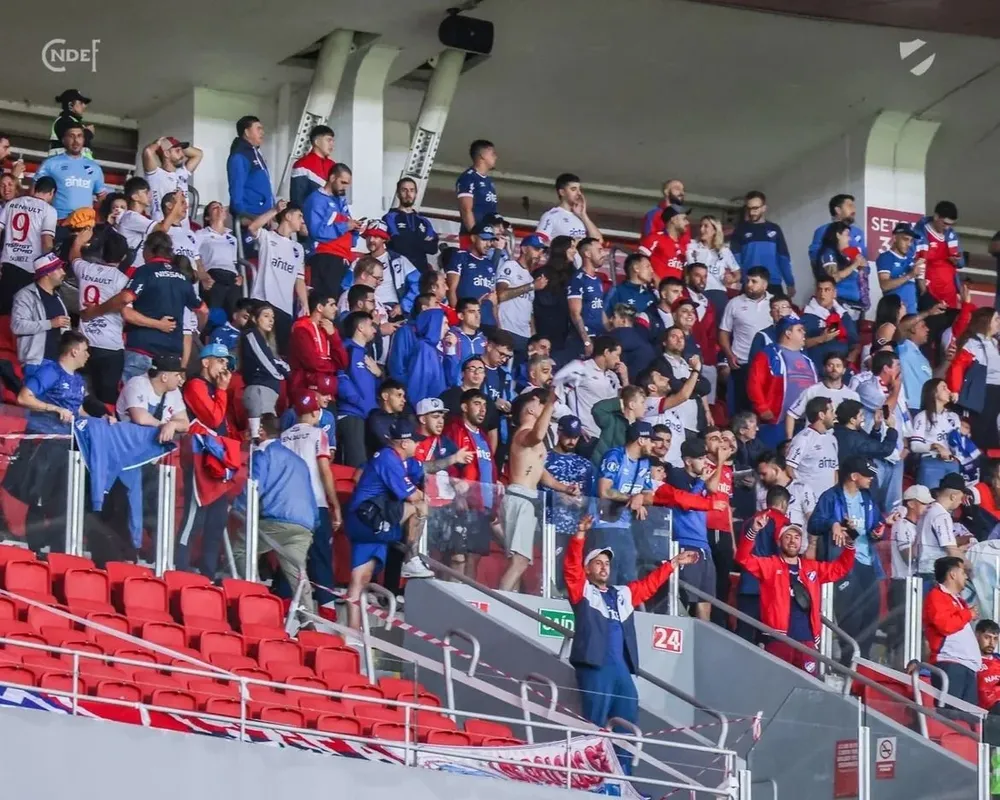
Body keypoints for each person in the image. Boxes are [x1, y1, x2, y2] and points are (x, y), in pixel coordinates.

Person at [564, 513, 697, 766]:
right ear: (587, 569)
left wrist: (673, 563)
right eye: (598, 563)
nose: (604, 567)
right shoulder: (582, 591)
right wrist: (580, 535)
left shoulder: (622, 594)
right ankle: (589, 779)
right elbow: (571, 568)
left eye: (607, 563)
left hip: (622, 671)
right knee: (593, 726)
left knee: (627, 728)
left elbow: (649, 584)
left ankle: (623, 780)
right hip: (595, 667)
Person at [736, 515, 856, 674]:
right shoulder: (770, 565)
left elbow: (841, 568)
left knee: (807, 690)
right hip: (778, 639)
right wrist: (753, 531)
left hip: (807, 642)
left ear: (801, 542)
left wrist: (850, 543)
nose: (793, 541)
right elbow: (742, 558)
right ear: (779, 541)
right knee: (777, 686)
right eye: (788, 537)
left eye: (797, 537)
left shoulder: (811, 568)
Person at [7, 331, 93, 551]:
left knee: (61, 499)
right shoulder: (50, 372)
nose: (88, 356)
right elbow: (23, 397)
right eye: (85, 351)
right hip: (44, 440)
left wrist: (102, 420)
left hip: (69, 446)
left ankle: (57, 550)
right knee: (38, 496)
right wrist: (53, 408)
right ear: (74, 351)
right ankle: (34, 549)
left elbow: (79, 411)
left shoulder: (79, 380)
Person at [345, 418, 434, 628]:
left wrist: (455, 458)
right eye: (415, 441)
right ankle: (411, 558)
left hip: (366, 519)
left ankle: (351, 633)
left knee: (361, 578)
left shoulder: (400, 460)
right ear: (404, 443)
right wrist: (425, 496)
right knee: (420, 505)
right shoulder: (389, 458)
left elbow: (426, 468)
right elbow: (413, 497)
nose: (419, 444)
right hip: (368, 518)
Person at [236, 413, 319, 614]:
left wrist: (238, 508)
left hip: (278, 520)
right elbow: (311, 493)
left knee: (240, 549)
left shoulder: (264, 454)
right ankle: (308, 622)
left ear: (261, 431)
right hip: (305, 525)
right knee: (298, 576)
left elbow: (254, 486)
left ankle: (252, 596)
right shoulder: (298, 461)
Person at [809, 456, 889, 662]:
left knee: (872, 614)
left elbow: (875, 528)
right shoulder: (830, 497)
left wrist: (880, 530)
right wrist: (832, 523)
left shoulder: (868, 498)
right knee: (851, 616)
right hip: (842, 563)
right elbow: (813, 524)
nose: (871, 479)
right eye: (867, 475)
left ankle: (861, 662)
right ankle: (847, 664)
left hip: (867, 563)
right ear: (854, 476)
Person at [499, 390, 580, 591]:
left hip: (525, 499)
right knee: (520, 561)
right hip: (521, 498)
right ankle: (498, 603)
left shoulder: (530, 439)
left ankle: (508, 603)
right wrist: (552, 402)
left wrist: (564, 488)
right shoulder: (524, 433)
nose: (545, 408)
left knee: (518, 561)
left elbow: (540, 472)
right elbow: (537, 435)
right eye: (541, 404)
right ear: (531, 407)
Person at [113, 231, 208, 381]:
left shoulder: (144, 271)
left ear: (149, 249)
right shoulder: (183, 275)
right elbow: (203, 310)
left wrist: (158, 324)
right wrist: (199, 329)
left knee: (135, 399)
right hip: (172, 354)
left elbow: (126, 300)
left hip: (142, 347)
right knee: (164, 403)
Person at [175, 343, 235, 577]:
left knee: (217, 520)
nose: (224, 367)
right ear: (205, 362)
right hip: (200, 459)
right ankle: (179, 567)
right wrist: (222, 390)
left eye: (226, 362)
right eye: (220, 361)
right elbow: (212, 418)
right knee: (194, 517)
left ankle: (208, 573)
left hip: (216, 460)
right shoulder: (195, 385)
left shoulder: (215, 388)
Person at [281, 391, 343, 608]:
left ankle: (281, 611)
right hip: (315, 504)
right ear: (316, 412)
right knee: (321, 560)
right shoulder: (319, 435)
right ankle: (327, 613)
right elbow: (325, 471)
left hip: (288, 508)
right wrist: (335, 504)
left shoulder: (283, 437)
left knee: (288, 560)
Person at [667, 438, 728, 620]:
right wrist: (701, 481)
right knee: (684, 601)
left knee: (705, 604)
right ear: (687, 461)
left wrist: (720, 462)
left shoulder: (701, 479)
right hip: (686, 544)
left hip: (704, 547)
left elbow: (713, 487)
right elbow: (687, 504)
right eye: (700, 458)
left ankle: (701, 647)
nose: (704, 462)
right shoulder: (677, 476)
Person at [69, 226, 130, 405]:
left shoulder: (86, 269)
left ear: (102, 252)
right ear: (124, 257)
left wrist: (79, 241)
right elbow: (127, 313)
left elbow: (74, 256)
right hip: (110, 347)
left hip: (84, 344)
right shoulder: (123, 280)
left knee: (80, 397)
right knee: (106, 401)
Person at [246, 202, 309, 353]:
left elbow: (299, 279)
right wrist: (274, 210)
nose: (303, 221)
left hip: (285, 309)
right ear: (288, 216)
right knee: (260, 349)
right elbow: (252, 228)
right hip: (263, 301)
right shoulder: (267, 237)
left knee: (280, 353)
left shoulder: (298, 249)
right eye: (299, 216)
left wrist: (305, 303)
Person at [747, 316, 816, 448]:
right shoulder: (769, 354)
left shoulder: (807, 360)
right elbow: (754, 383)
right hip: (776, 422)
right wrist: (762, 408)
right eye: (800, 330)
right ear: (788, 333)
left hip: (803, 423)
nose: (804, 333)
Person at [857, 350, 911, 513]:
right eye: (897, 366)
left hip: (897, 454)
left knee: (893, 506)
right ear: (886, 368)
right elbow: (887, 410)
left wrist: (906, 446)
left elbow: (902, 418)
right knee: (872, 499)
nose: (900, 369)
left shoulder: (897, 390)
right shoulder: (866, 387)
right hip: (877, 453)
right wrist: (897, 388)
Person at [925, 555, 981, 706]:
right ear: (953, 574)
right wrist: (968, 614)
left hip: (966, 666)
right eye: (963, 572)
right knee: (950, 717)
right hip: (950, 664)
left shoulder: (956, 600)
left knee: (967, 721)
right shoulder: (936, 596)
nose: (965, 576)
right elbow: (945, 625)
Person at [887, 484, 932, 664]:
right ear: (912, 504)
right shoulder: (901, 526)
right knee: (903, 632)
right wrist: (922, 535)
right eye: (923, 504)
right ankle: (897, 669)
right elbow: (909, 557)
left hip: (915, 584)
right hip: (902, 585)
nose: (927, 508)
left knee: (916, 630)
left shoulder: (914, 526)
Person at [302, 163, 359, 302]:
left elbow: (348, 228)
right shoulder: (316, 199)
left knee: (339, 303)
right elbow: (317, 232)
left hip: (343, 257)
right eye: (343, 182)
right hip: (325, 258)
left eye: (347, 184)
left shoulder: (340, 200)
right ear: (332, 178)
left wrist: (355, 229)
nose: (345, 187)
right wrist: (345, 226)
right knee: (326, 302)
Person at [719, 266, 772, 414]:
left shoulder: (775, 304)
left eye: (754, 281)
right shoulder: (734, 303)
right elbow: (723, 333)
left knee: (763, 411)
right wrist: (729, 355)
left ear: (765, 285)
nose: (749, 285)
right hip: (741, 365)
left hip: (768, 367)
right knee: (740, 410)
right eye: (747, 281)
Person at [0, 176, 57, 313]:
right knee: (22, 312)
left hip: (8, 265)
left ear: (35, 189)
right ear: (52, 192)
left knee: (3, 311)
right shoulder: (49, 210)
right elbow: (46, 242)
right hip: (30, 269)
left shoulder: (11, 204)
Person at [553, 336, 625, 444]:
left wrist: (625, 378)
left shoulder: (613, 376)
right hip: (587, 437)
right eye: (617, 355)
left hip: (607, 438)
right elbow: (554, 397)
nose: (619, 360)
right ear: (606, 352)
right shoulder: (580, 368)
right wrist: (574, 424)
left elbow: (624, 403)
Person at [947, 307, 1000, 451]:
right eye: (996, 319)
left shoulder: (995, 343)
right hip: (984, 393)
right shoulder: (973, 343)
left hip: (996, 392)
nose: (999, 322)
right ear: (986, 322)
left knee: (993, 433)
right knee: (980, 432)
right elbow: (958, 366)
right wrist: (955, 390)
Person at [34, 119, 107, 223]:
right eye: (71, 136)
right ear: (64, 140)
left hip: (84, 225)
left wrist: (97, 218)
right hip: (57, 221)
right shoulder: (50, 164)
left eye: (79, 136)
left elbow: (102, 196)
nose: (76, 140)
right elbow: (35, 190)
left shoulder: (95, 167)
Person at [11, 252, 71, 373]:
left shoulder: (57, 297)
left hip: (59, 363)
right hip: (37, 363)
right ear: (48, 272)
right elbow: (17, 326)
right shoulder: (25, 296)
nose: (63, 273)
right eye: (59, 269)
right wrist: (50, 323)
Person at [336, 311, 381, 468]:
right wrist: (359, 402)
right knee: (357, 466)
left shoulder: (366, 355)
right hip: (351, 414)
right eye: (371, 325)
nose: (375, 330)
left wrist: (379, 374)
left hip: (367, 416)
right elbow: (340, 379)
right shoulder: (346, 349)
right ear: (360, 327)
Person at [729, 191, 793, 298]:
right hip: (749, 283)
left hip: (773, 282)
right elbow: (734, 260)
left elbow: (783, 257)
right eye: (749, 208)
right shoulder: (740, 230)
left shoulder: (775, 229)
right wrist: (740, 279)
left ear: (764, 208)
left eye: (755, 208)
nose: (752, 212)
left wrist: (790, 283)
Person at [241, 303, 290, 440]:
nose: (271, 320)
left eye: (272, 317)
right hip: (258, 391)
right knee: (258, 437)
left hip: (268, 394)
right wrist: (281, 374)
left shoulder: (267, 341)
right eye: (266, 316)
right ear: (255, 319)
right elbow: (265, 360)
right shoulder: (252, 335)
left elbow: (275, 361)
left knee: (269, 437)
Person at [785, 353, 859, 439]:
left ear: (844, 370)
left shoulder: (853, 395)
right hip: (814, 442)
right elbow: (791, 414)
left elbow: (857, 422)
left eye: (838, 366)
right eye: (830, 365)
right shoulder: (812, 391)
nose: (834, 369)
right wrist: (789, 440)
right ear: (824, 368)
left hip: (843, 443)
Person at [288, 291, 347, 397]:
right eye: (332, 305)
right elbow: (312, 363)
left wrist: (334, 337)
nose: (336, 308)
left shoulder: (330, 330)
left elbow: (343, 363)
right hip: (307, 391)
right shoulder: (302, 328)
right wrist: (333, 366)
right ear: (320, 307)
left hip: (329, 393)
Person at [916, 473, 970, 587]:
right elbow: (951, 550)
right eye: (961, 497)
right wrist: (970, 568)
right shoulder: (941, 515)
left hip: (921, 570)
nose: (961, 502)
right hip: (932, 573)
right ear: (953, 496)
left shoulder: (928, 510)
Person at [115, 354, 189, 437]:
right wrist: (164, 426)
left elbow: (185, 424)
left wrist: (173, 425)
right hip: (127, 439)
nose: (180, 379)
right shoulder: (137, 384)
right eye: (177, 375)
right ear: (164, 377)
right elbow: (140, 418)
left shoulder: (174, 391)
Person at [446, 221, 500, 329]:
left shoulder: (489, 264)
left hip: (489, 322)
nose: (488, 244)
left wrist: (498, 325)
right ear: (473, 238)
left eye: (490, 240)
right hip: (468, 322)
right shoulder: (460, 257)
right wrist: (458, 319)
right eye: (484, 239)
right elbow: (451, 290)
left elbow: (493, 297)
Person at [913, 201, 964, 315]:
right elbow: (919, 263)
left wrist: (956, 260)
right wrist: (923, 292)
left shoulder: (951, 235)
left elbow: (961, 263)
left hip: (950, 293)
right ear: (936, 217)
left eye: (951, 224)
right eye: (945, 223)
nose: (947, 227)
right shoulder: (920, 233)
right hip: (931, 292)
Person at [911, 378, 963, 489]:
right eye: (944, 388)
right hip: (931, 462)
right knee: (930, 500)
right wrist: (935, 446)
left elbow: (958, 444)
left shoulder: (954, 416)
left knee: (951, 500)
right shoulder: (922, 416)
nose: (949, 391)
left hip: (952, 463)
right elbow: (915, 446)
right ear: (933, 393)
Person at [496, 233, 547, 343]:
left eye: (542, 251)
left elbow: (528, 308)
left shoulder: (530, 276)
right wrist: (532, 286)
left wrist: (533, 333)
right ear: (524, 249)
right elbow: (501, 295)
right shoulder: (511, 265)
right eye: (536, 249)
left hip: (525, 335)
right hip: (507, 331)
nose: (539, 254)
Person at [141, 136, 203, 225]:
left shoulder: (182, 172)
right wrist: (158, 143)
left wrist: (177, 146)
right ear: (166, 153)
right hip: (163, 229)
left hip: (184, 230)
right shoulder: (156, 175)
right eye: (178, 151)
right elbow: (148, 152)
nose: (182, 154)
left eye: (182, 150)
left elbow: (199, 154)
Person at [383, 176, 439, 273]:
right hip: (397, 272)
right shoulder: (390, 217)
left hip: (420, 273)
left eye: (412, 190)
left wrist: (408, 239)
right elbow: (397, 244)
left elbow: (433, 249)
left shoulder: (424, 221)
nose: (408, 194)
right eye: (404, 190)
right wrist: (421, 241)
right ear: (397, 193)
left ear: (416, 193)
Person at [801, 275, 859, 367]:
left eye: (827, 290)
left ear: (834, 293)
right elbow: (800, 344)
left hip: (842, 367)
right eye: (819, 289)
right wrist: (822, 339)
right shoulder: (807, 315)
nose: (822, 294)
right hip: (819, 367)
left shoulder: (843, 315)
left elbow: (855, 343)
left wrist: (850, 359)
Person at [786, 397, 839, 497]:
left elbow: (834, 471)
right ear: (821, 415)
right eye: (831, 412)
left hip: (828, 501)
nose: (834, 416)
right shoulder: (803, 439)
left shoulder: (832, 439)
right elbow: (789, 468)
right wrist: (802, 494)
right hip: (809, 502)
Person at [196, 201, 242, 314]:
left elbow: (233, 262)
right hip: (213, 275)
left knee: (234, 313)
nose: (220, 209)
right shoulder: (200, 234)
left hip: (232, 278)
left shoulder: (232, 239)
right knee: (213, 314)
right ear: (207, 217)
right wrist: (203, 275)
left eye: (221, 206)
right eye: (215, 208)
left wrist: (240, 276)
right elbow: (195, 255)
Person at [567, 238, 610, 356]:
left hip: (598, 338)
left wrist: (610, 330)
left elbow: (599, 308)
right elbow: (575, 313)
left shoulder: (598, 280)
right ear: (587, 253)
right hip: (582, 341)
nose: (604, 253)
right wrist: (586, 341)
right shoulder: (578, 279)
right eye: (599, 250)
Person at [816, 221, 870, 317]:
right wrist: (854, 264)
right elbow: (833, 278)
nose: (849, 239)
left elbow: (865, 270)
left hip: (855, 304)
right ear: (838, 235)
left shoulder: (846, 253)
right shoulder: (828, 253)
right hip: (840, 303)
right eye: (847, 235)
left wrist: (860, 262)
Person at [226, 115, 274, 223]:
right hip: (251, 218)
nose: (262, 132)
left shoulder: (255, 153)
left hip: (263, 215)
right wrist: (245, 216)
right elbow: (236, 191)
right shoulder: (239, 156)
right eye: (258, 129)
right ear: (247, 132)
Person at [535, 172, 602, 244]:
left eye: (579, 189)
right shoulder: (551, 216)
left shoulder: (581, 217)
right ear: (562, 192)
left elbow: (598, 241)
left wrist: (583, 215)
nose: (579, 193)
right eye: (573, 189)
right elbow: (539, 242)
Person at [808, 193, 866, 274]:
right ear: (838, 210)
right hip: (835, 284)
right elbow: (815, 258)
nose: (854, 210)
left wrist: (863, 268)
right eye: (850, 206)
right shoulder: (823, 230)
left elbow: (864, 261)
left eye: (854, 206)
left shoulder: (858, 232)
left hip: (856, 285)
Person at [456, 139, 498, 244]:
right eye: (493, 153)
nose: (496, 157)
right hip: (473, 238)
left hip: (488, 238)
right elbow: (466, 210)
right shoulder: (468, 178)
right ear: (482, 156)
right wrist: (475, 235)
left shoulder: (489, 181)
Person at [876, 222, 923, 315]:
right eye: (905, 239)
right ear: (894, 238)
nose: (909, 244)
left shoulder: (911, 261)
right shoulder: (886, 257)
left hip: (912, 313)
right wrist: (910, 275)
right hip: (895, 315)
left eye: (911, 240)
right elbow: (884, 285)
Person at [639, 204, 691, 282]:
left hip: (675, 291)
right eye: (684, 219)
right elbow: (639, 260)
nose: (687, 222)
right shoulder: (655, 238)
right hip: (654, 291)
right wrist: (657, 282)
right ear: (673, 220)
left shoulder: (683, 247)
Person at [289, 124, 336, 209]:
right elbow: (297, 200)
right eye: (329, 140)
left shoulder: (333, 165)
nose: (332, 144)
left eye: (333, 141)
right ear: (317, 142)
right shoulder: (302, 165)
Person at [897, 314, 935, 410]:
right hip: (910, 407)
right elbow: (901, 328)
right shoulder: (902, 348)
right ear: (912, 329)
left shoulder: (923, 358)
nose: (927, 329)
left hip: (925, 408)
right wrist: (930, 311)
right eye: (923, 326)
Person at [604, 253, 657, 318]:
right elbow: (605, 318)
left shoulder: (651, 294)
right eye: (647, 266)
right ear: (636, 268)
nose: (652, 270)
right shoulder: (617, 292)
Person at [49, 89, 94, 156]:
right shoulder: (64, 121)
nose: (84, 106)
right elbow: (74, 140)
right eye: (81, 103)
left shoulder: (73, 122)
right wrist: (89, 132)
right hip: (65, 165)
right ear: (70, 105)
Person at [976, 620, 1000, 714]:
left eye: (995, 639)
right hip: (987, 711)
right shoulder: (970, 661)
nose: (991, 643)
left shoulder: (998, 660)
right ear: (977, 636)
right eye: (987, 637)